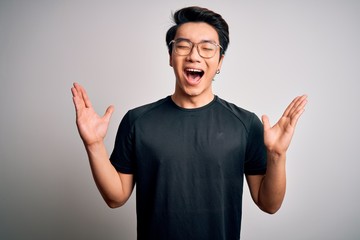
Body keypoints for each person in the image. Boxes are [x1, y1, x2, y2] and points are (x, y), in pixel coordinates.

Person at [71, 6, 307, 240]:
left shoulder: (245, 124)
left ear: (220, 61)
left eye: (206, 48)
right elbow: (116, 197)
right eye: (183, 46)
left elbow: (269, 204)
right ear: (171, 57)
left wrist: (277, 155)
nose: (194, 55)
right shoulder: (138, 121)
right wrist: (94, 145)